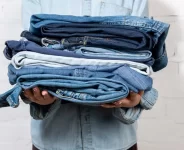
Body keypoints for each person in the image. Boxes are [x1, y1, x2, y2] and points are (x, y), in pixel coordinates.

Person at [22, 0, 149, 150]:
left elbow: (142, 60)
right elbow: (29, 61)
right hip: (51, 141)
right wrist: (35, 96)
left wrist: (136, 98)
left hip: (116, 142)